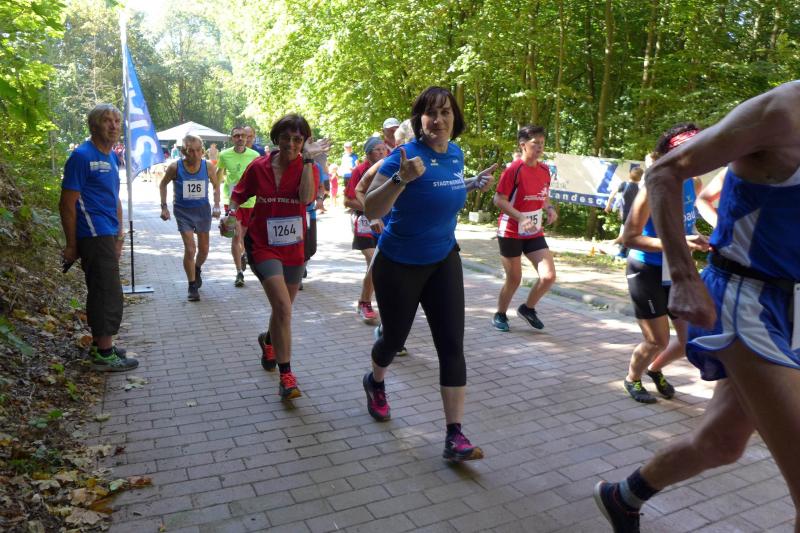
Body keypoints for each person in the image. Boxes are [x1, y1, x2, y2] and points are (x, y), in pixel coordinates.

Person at [595, 81, 800, 532]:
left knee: (721, 442)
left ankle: (623, 496)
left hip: (793, 307)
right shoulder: (782, 112)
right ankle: (638, 375)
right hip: (747, 301)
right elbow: (662, 175)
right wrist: (685, 277)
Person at [362, 86, 494, 462]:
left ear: (455, 117)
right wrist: (400, 179)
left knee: (451, 345)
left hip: (443, 259)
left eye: (445, 112)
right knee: (393, 339)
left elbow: (441, 189)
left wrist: (470, 183)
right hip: (399, 263)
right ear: (419, 120)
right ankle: (375, 381)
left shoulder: (456, 154)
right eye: (430, 113)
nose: (438, 120)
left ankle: (455, 435)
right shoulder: (403, 157)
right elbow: (370, 207)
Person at [223, 114, 326, 399]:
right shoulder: (259, 167)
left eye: (297, 139)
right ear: (276, 139)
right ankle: (287, 376)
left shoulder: (308, 167)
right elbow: (238, 194)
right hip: (262, 244)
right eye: (286, 138)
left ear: (304, 142)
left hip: (294, 247)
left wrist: (308, 161)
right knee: (282, 307)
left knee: (283, 309)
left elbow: (306, 199)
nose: (291, 144)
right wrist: (230, 213)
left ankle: (268, 340)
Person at [618, 124, 707, 404]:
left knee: (688, 339)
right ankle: (632, 378)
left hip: (676, 268)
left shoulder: (694, 183)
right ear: (672, 154)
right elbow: (629, 238)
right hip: (646, 269)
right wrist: (678, 242)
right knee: (656, 340)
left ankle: (654, 370)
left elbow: (684, 225)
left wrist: (697, 238)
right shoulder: (653, 186)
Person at [59, 104, 138, 372]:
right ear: (94, 125)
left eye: (116, 121)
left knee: (104, 288)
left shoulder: (112, 156)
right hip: (92, 233)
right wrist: (72, 244)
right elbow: (67, 203)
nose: (113, 125)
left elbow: (114, 197)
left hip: (107, 232)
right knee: (107, 291)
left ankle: (100, 345)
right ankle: (104, 354)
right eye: (107, 120)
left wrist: (119, 235)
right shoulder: (81, 156)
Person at [491, 125, 558, 332]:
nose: (540, 147)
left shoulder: (545, 170)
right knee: (514, 278)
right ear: (523, 145)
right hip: (511, 230)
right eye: (535, 143)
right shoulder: (514, 169)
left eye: (542, 143)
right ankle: (500, 314)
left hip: (533, 230)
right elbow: (498, 200)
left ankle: (527, 309)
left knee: (548, 276)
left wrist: (549, 208)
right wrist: (520, 217)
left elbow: (543, 195)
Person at [159, 134, 221, 301]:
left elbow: (216, 186)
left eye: (198, 150)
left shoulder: (208, 166)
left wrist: (216, 205)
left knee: (204, 249)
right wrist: (164, 207)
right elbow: (163, 184)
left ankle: (197, 268)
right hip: (183, 212)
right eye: (190, 151)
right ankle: (192, 285)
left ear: (203, 150)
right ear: (183, 151)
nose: (195, 154)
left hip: (202, 211)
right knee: (190, 249)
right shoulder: (175, 167)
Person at [344, 137, 388, 324]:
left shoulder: (389, 168)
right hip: (363, 221)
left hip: (384, 222)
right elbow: (348, 201)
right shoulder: (359, 171)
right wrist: (371, 209)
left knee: (384, 264)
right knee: (374, 260)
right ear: (368, 153)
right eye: (377, 149)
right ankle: (365, 303)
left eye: (383, 149)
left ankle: (384, 303)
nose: (382, 152)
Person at [216, 126, 260, 287]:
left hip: (250, 202)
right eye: (236, 136)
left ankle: (243, 254)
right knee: (236, 235)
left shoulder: (255, 156)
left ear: (247, 138)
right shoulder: (224, 155)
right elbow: (217, 179)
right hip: (232, 202)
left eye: (242, 135)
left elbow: (260, 179)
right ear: (232, 138)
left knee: (243, 236)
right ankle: (239, 272)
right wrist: (216, 202)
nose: (240, 138)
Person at [604, 166, 644, 258]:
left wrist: (608, 205)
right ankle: (620, 250)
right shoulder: (640, 188)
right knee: (627, 232)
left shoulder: (624, 184)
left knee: (626, 231)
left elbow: (612, 194)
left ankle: (620, 248)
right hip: (633, 214)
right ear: (641, 178)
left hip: (624, 213)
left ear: (629, 175)